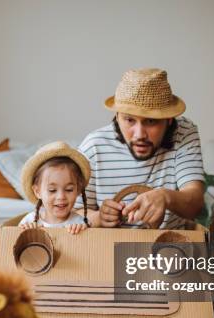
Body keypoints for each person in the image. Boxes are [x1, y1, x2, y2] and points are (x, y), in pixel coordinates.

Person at [78, 68, 205, 229]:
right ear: (117, 116)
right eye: (129, 120)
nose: (139, 135)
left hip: (170, 247)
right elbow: (72, 213)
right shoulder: (94, 146)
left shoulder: (184, 133)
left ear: (170, 119)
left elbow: (195, 204)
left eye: (151, 121)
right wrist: (97, 218)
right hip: (108, 249)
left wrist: (166, 197)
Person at [19, 141, 90, 234]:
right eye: (52, 190)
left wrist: (83, 231)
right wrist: (24, 233)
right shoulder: (29, 222)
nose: (61, 196)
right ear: (37, 191)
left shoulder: (79, 224)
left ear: (78, 190)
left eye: (69, 189)